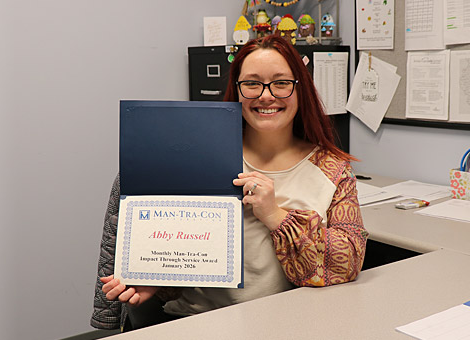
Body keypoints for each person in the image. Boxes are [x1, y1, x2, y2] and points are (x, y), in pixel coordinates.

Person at [92, 35, 367, 329]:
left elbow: (346, 262)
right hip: (193, 322)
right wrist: (154, 280)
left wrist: (275, 216)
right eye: (252, 83)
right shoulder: (196, 153)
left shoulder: (332, 169)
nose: (266, 95)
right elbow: (171, 233)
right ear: (236, 90)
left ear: (300, 89)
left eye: (281, 82)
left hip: (287, 323)